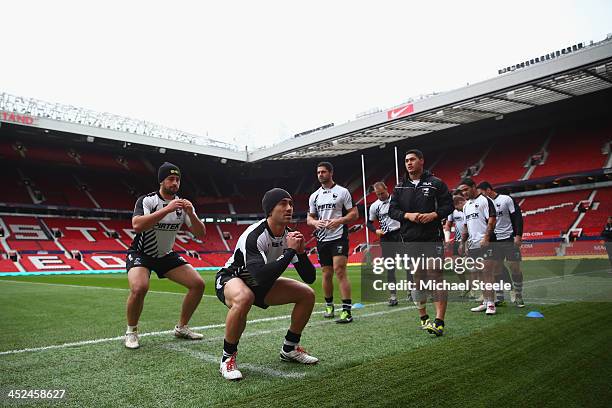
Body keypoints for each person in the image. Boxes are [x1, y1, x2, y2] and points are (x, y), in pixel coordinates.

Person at [215, 188, 318, 381]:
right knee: (245, 297)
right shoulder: (255, 235)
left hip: (259, 283)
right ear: (270, 210)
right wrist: (289, 252)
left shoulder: (289, 235)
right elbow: (260, 276)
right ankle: (227, 358)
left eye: (291, 204)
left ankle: (290, 348)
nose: (289, 208)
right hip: (232, 279)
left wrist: (301, 253)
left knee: (307, 294)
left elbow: (309, 277)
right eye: (283, 204)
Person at [124, 162, 206, 349]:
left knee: (198, 284)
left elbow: (200, 234)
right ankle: (131, 331)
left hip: (165, 255)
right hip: (141, 253)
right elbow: (137, 225)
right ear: (161, 181)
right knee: (139, 287)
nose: (175, 183)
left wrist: (191, 213)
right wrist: (167, 209)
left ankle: (182, 327)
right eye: (170, 179)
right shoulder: (147, 200)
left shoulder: (182, 205)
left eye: (177, 179)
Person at [389, 149, 453, 336]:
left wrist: (434, 215)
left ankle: (439, 321)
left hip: (432, 237)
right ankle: (424, 318)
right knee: (418, 279)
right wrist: (408, 215)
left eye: (412, 160)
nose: (409, 163)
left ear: (421, 161)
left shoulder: (436, 183)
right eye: (406, 161)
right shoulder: (399, 187)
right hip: (410, 239)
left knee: (436, 277)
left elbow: (448, 205)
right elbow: (393, 211)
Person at [307, 162, 359, 323]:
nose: (320, 174)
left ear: (331, 173)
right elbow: (309, 218)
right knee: (326, 274)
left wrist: (340, 221)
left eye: (323, 172)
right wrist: (315, 223)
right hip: (322, 239)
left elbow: (354, 214)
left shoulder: (343, 192)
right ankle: (329, 305)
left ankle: (347, 311)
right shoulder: (314, 196)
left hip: (338, 237)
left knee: (340, 270)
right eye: (318, 172)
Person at [477, 182, 525, 307]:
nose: (480, 195)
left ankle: (518, 294)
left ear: (488, 190)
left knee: (514, 267)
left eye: (481, 192)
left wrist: (518, 235)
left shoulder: (506, 199)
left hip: (508, 238)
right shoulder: (484, 204)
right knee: (496, 269)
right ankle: (499, 296)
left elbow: (517, 217)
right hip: (493, 240)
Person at [457, 178, 497, 315]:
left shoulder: (485, 201)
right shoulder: (466, 206)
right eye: (462, 191)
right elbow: (467, 226)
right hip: (473, 244)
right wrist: (463, 243)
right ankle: (485, 301)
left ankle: (491, 304)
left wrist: (486, 238)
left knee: (487, 272)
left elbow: (492, 220)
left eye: (466, 189)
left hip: (486, 242)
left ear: (473, 187)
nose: (464, 193)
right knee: (479, 273)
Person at [367, 181, 404, 306]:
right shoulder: (374, 206)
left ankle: (412, 290)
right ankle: (393, 296)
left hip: (400, 234)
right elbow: (369, 222)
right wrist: (375, 230)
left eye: (382, 193)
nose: (381, 196)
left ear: (387, 189)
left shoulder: (397, 200)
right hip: (386, 237)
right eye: (378, 194)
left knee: (409, 263)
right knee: (390, 267)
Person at [444, 194, 471, 296]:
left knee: (474, 265)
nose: (457, 210)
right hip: (458, 240)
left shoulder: (468, 208)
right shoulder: (452, 210)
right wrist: (447, 240)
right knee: (456, 265)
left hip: (469, 239)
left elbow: (466, 226)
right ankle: (466, 286)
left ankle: (476, 287)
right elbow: (448, 225)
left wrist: (464, 242)